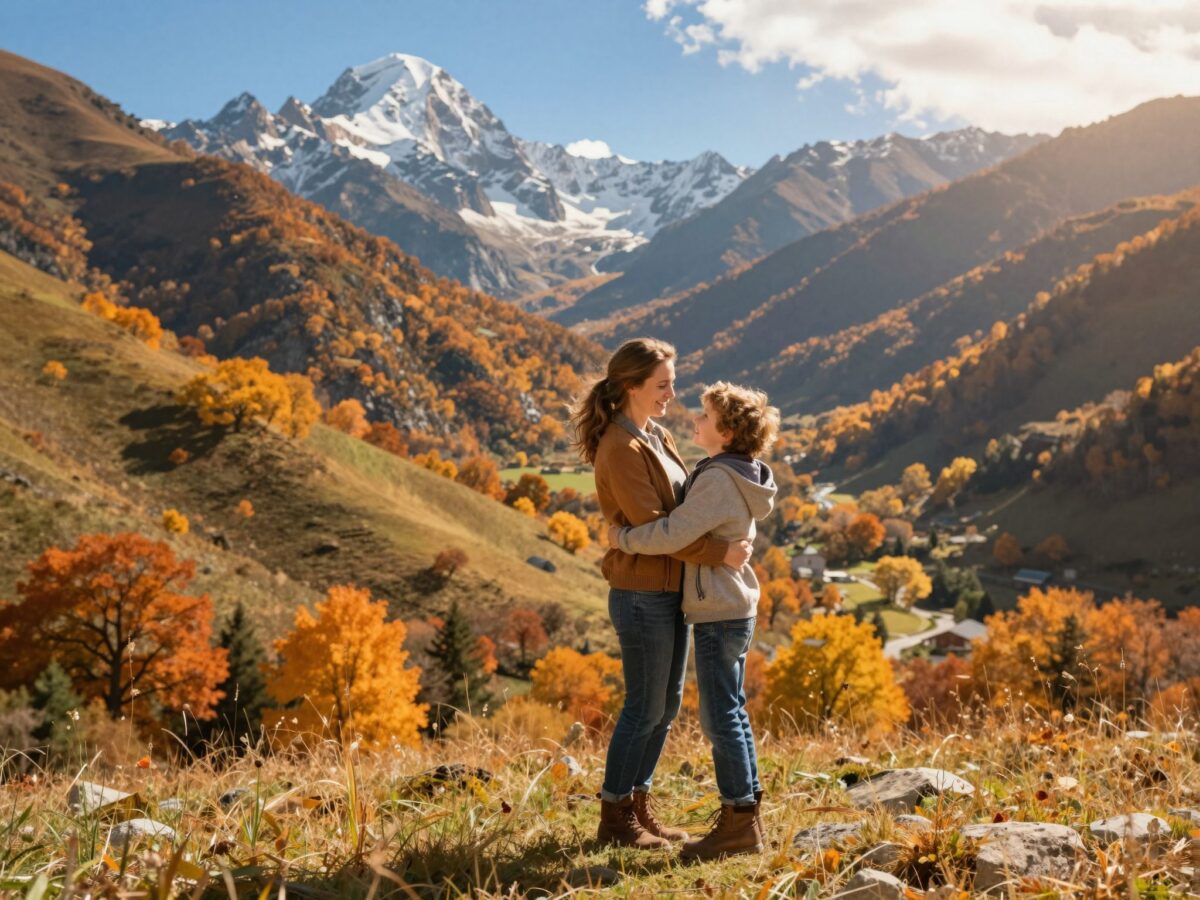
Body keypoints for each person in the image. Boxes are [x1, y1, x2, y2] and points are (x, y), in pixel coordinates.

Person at [569, 338, 752, 850]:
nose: (672, 393)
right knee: (643, 708)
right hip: (641, 592)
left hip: (671, 590)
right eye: (663, 384)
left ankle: (638, 807)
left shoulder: (655, 434)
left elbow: (684, 513)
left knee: (665, 707)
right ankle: (615, 816)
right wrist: (720, 554)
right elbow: (659, 529)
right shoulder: (620, 447)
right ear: (631, 386)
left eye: (672, 382)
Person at [609, 381, 779, 860]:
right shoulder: (736, 471)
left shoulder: (718, 479)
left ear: (725, 431)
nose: (695, 422)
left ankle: (738, 822)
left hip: (718, 612)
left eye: (704, 417)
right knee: (733, 711)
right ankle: (744, 816)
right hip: (732, 607)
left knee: (720, 716)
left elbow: (673, 532)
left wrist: (621, 539)